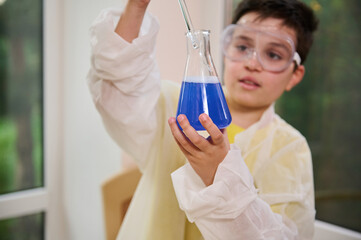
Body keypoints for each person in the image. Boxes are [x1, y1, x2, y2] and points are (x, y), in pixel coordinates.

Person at [87, 0, 318, 239]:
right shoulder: (175, 107)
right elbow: (120, 82)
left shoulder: (291, 148)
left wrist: (217, 174)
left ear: (295, 75)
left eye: (273, 54)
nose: (252, 63)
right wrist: (136, 6)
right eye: (242, 47)